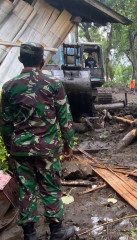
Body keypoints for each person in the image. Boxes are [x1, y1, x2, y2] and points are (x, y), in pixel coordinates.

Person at [0, 43, 75, 240]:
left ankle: (30, 234)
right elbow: (64, 118)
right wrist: (68, 144)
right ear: (42, 60)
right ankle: (57, 232)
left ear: (20, 60)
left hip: (20, 148)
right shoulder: (53, 84)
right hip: (47, 148)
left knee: (26, 189)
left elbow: (5, 123)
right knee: (51, 187)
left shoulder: (8, 87)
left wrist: (10, 147)